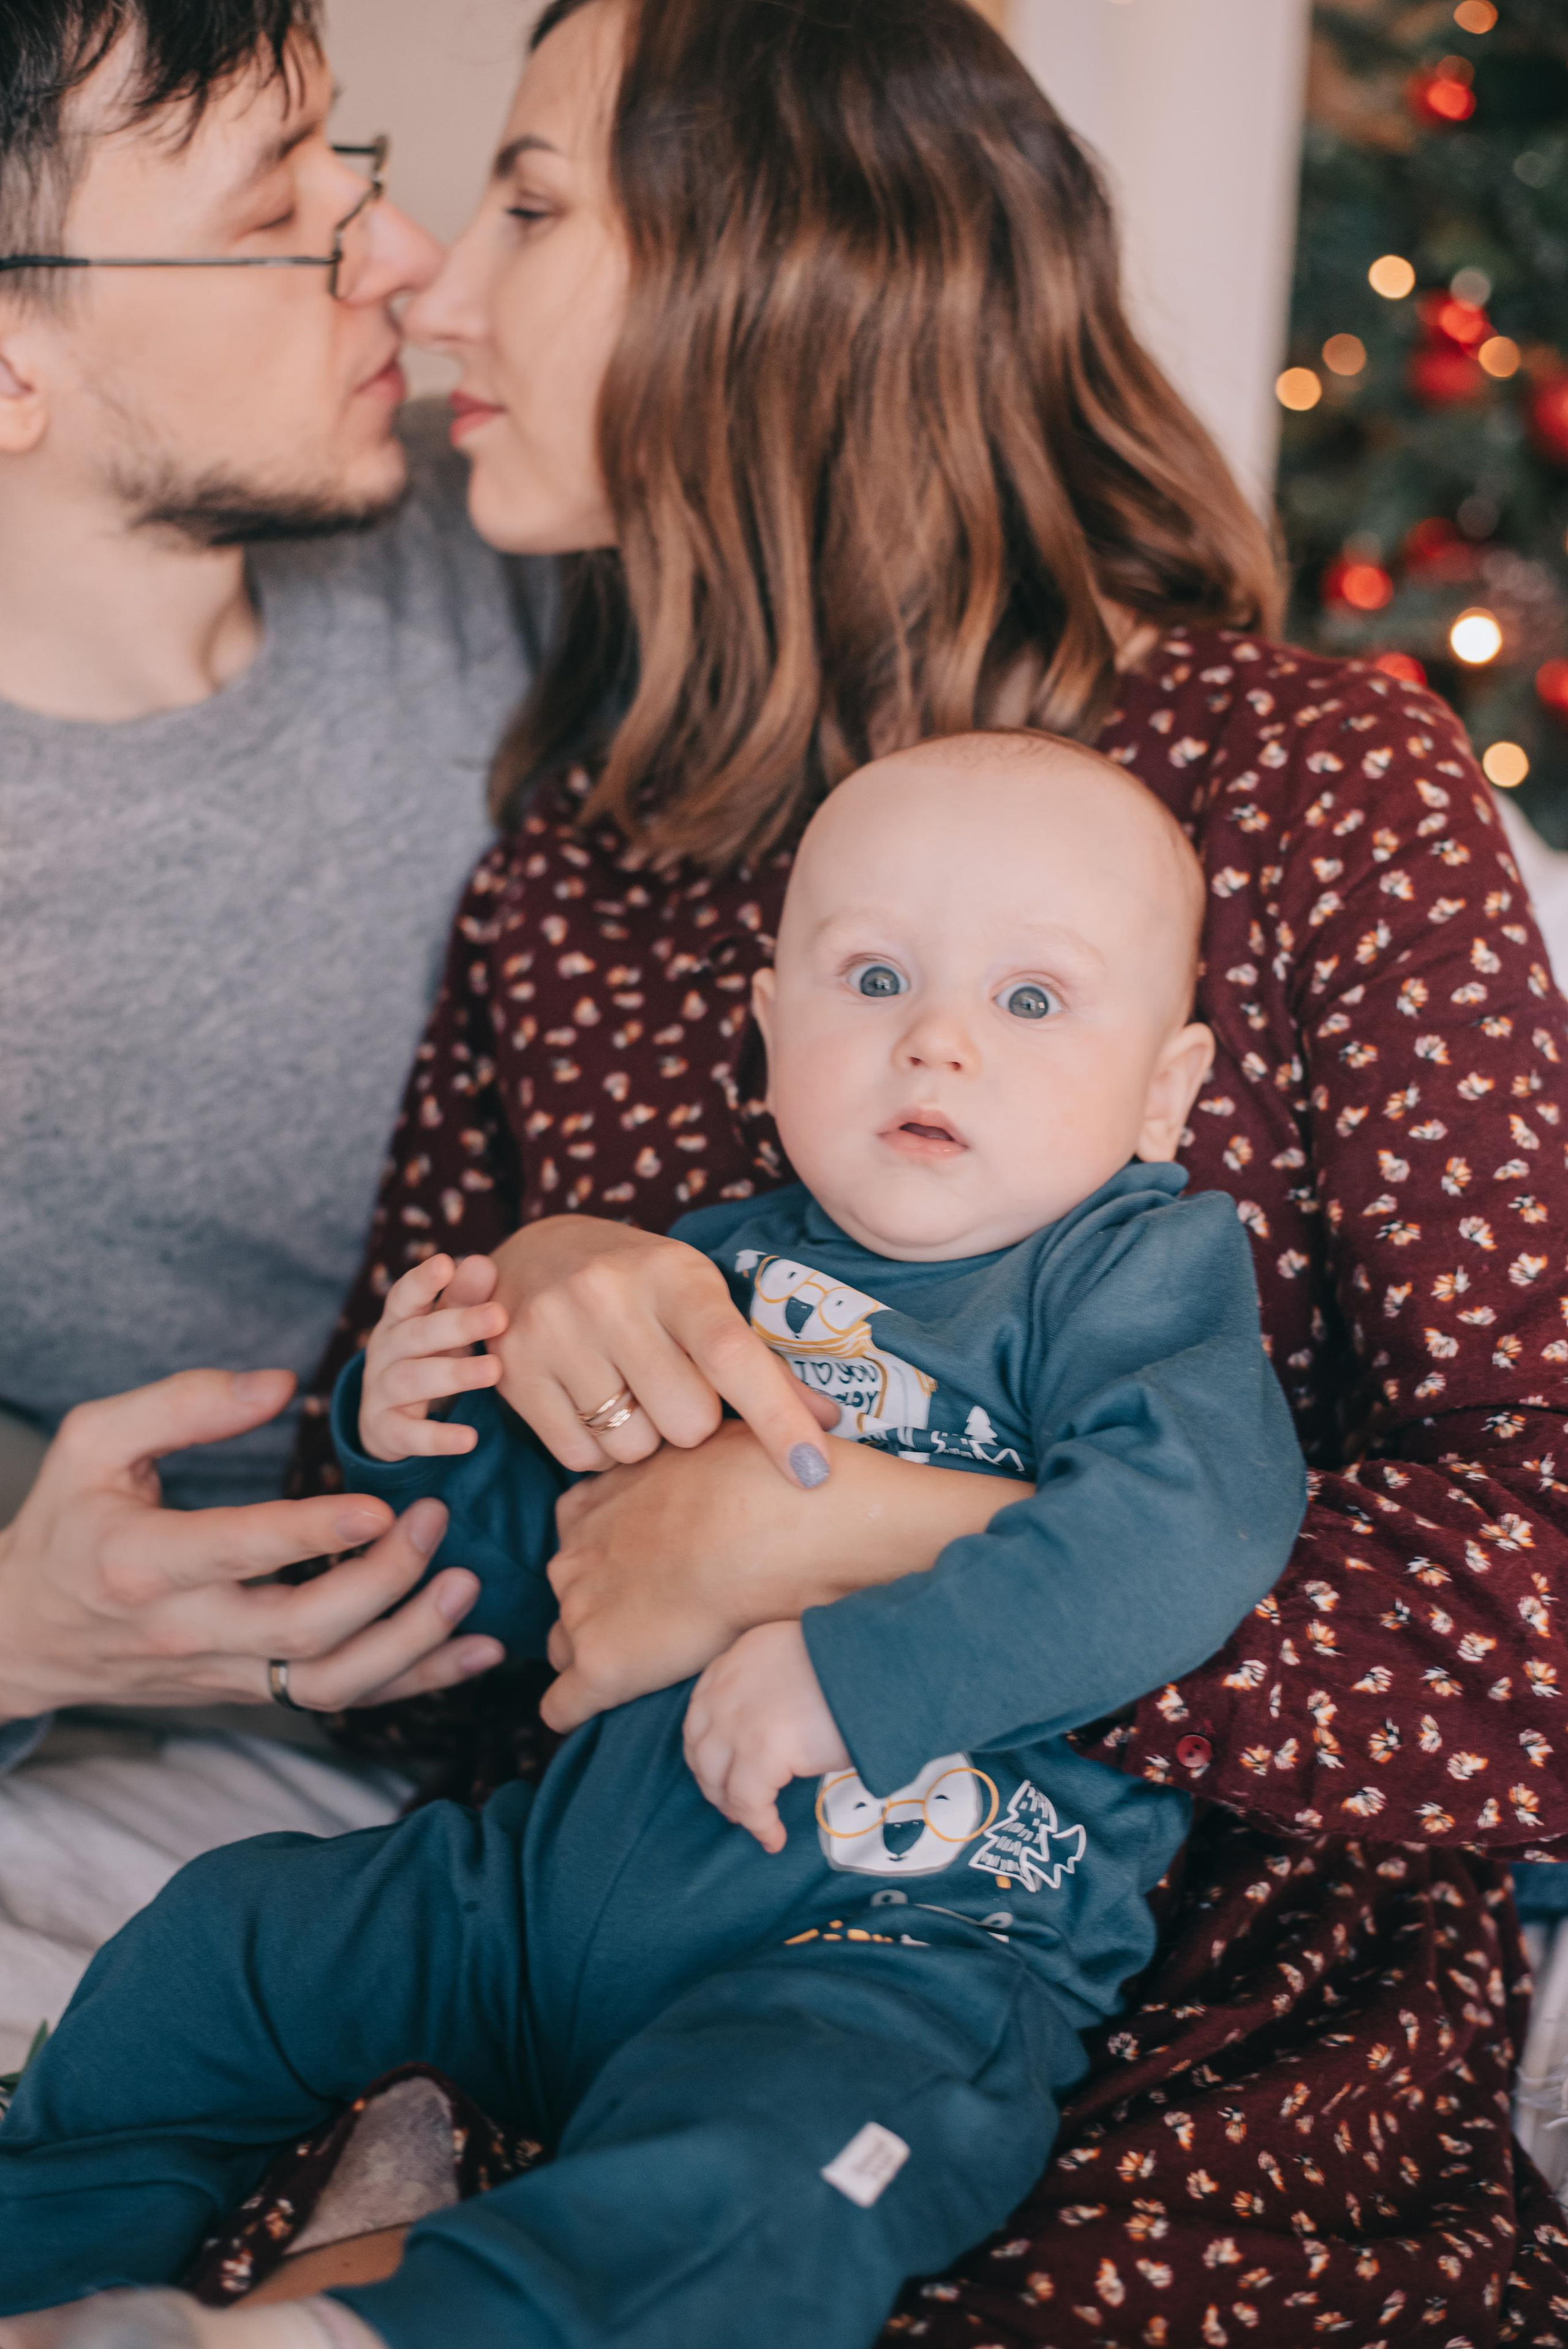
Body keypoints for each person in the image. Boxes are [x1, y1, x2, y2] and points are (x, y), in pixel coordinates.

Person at [135, 0, 1568, 2337]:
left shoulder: (1303, 791)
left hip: (1184, 2030)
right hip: (625, 1957)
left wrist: (873, 1543)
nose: (429, 278)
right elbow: (415, 1638)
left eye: (528, 201)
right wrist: (517, 1324)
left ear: (797, 263)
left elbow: (1545, 1611)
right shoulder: (582, 878)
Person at [0, 734, 1311, 2349]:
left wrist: (858, 1667)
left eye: (1033, 1000)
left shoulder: (1124, 1277)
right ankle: (51, 2276)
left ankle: (361, 2335)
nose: (940, 1043)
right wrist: (421, 1416)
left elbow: (1196, 1529)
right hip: (528, 1905)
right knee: (231, 1932)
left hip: (895, 1944)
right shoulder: (706, 1266)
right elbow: (506, 1581)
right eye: (876, 975)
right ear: (767, 1028)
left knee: (764, 2176)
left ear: (1166, 1088)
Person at [0, 0, 554, 2067]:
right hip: (318, 1730)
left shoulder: (488, 526)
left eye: (354, 166)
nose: (401, 260)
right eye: (276, 213)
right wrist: (19, 1629)